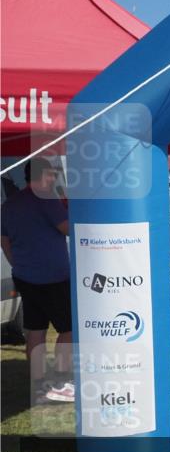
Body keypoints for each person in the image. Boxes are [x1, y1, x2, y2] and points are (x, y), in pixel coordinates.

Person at [0, 159, 74, 403]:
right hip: (53, 277)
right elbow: (68, 229)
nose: (54, 179)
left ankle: (40, 384)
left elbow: (5, 240)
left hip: (24, 276)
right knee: (69, 329)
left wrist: (17, 264)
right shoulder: (47, 200)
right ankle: (62, 380)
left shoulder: (10, 204)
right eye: (52, 175)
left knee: (35, 330)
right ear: (42, 176)